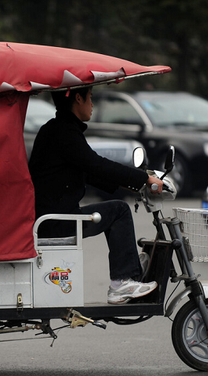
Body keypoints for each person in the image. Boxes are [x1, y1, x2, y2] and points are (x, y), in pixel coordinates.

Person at [28, 86, 163, 304]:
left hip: (52, 216)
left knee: (116, 206)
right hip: (56, 221)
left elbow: (85, 171)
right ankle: (122, 282)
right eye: (90, 98)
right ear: (78, 98)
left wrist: (126, 185)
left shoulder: (55, 129)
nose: (92, 104)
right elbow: (95, 164)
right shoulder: (65, 133)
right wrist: (143, 179)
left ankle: (130, 270)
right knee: (119, 211)